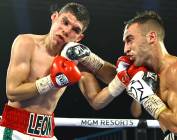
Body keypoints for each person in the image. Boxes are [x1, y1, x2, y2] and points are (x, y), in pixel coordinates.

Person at [0, 2, 117, 140]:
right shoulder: (26, 43)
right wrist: (51, 81)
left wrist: (90, 58)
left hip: (45, 133)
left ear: (79, 38)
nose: (67, 31)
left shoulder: (74, 58)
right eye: (65, 22)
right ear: (54, 17)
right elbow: (12, 92)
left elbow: (113, 78)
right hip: (13, 129)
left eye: (76, 30)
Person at [123, 10, 177, 139]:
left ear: (151, 37)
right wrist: (90, 59)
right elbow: (135, 112)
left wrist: (146, 96)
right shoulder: (148, 73)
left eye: (130, 40)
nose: (126, 49)